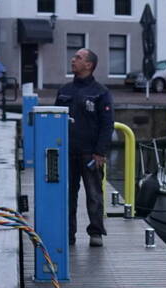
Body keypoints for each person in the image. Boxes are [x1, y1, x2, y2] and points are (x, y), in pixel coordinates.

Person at [55, 48, 114, 247]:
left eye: (78, 58)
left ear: (89, 65)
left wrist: (100, 152)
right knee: (67, 195)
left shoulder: (101, 93)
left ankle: (96, 233)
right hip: (67, 153)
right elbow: (54, 120)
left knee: (94, 194)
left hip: (90, 154)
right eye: (74, 57)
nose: (73, 60)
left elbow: (107, 124)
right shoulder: (64, 90)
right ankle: (68, 233)